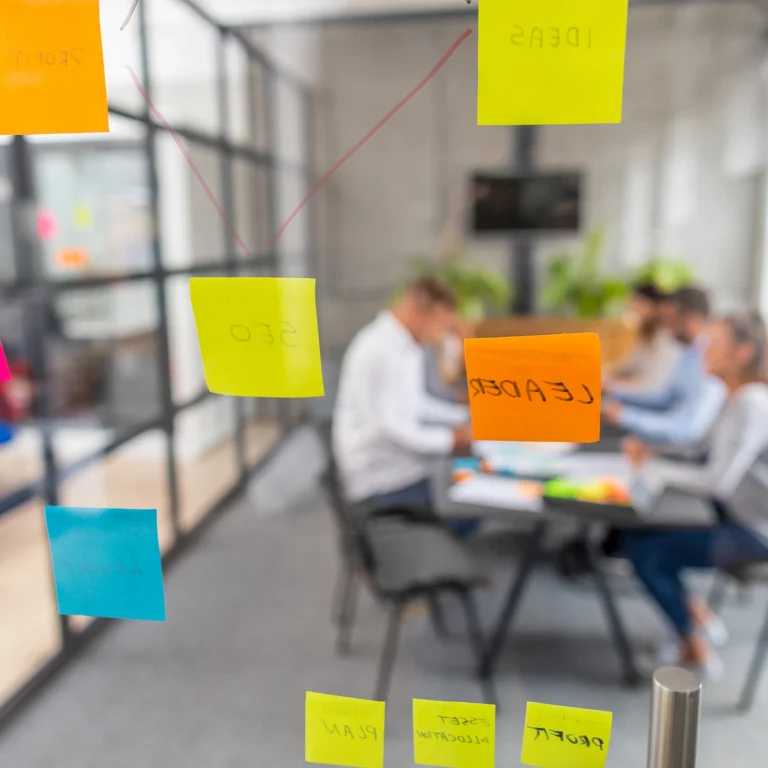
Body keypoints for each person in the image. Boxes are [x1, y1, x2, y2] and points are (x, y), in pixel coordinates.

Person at [622, 313, 768, 675]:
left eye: (714, 345)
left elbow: (718, 480)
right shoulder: (730, 395)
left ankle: (693, 645)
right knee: (634, 533)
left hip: (754, 533)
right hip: (728, 516)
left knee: (649, 553)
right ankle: (692, 614)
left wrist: (656, 470)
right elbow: (698, 447)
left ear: (743, 352)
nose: (703, 352)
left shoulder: (753, 402)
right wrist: (652, 451)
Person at [333, 277, 476, 534]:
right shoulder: (378, 350)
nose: (438, 335)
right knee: (470, 502)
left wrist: (463, 416)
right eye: (439, 325)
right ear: (416, 310)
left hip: (400, 466)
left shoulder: (404, 346)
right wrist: (451, 441)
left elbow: (417, 404)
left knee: (469, 479)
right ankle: (443, 564)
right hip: (382, 483)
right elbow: (395, 429)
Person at [602, 286, 726, 445]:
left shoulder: (712, 361)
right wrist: (615, 393)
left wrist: (625, 416)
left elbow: (685, 429)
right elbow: (666, 397)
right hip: (669, 435)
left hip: (685, 448)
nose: (665, 327)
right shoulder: (688, 353)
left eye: (670, 319)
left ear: (691, 320)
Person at [603, 282, 680, 390]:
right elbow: (627, 366)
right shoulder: (645, 335)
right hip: (629, 389)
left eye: (639, 304)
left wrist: (613, 384)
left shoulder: (664, 339)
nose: (633, 309)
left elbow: (651, 383)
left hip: (645, 395)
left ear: (655, 308)